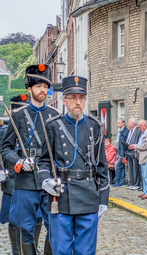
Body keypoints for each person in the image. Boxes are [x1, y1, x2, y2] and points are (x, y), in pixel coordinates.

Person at [37, 75, 109, 254]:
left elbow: (102, 166)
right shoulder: (53, 126)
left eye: (81, 98)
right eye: (73, 98)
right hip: (61, 195)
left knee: (86, 251)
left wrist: (103, 200)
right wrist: (46, 180)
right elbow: (43, 160)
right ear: (64, 101)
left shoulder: (96, 126)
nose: (78, 102)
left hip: (88, 195)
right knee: (61, 249)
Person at [1, 64, 60, 254]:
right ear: (29, 88)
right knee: (26, 228)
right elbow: (6, 148)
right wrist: (18, 161)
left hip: (48, 180)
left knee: (54, 228)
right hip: (25, 181)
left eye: (45, 86)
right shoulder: (18, 116)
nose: (43, 90)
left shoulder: (55, 116)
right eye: (38, 86)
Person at [128, 119, 147, 199]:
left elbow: (146, 145)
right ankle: (145, 191)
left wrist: (135, 146)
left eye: (139, 127)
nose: (139, 129)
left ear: (144, 126)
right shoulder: (144, 133)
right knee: (144, 175)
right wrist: (137, 149)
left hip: (146, 156)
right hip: (142, 156)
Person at [125, 117, 141, 190]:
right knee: (130, 168)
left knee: (135, 169)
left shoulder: (137, 131)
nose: (127, 124)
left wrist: (136, 148)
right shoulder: (130, 131)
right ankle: (131, 182)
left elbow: (138, 140)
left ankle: (136, 183)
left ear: (133, 124)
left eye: (128, 122)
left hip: (134, 152)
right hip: (128, 152)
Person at [113, 118, 129, 187]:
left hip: (123, 152)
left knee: (117, 166)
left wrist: (123, 153)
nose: (117, 124)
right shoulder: (120, 131)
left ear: (123, 124)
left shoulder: (125, 131)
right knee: (121, 167)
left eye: (118, 123)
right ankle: (122, 181)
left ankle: (118, 181)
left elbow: (124, 143)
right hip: (120, 152)